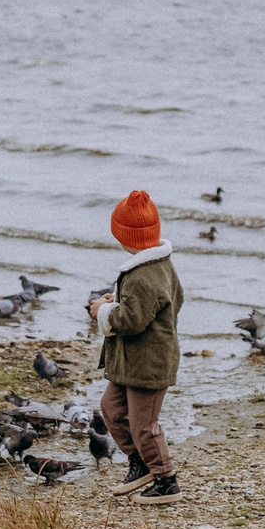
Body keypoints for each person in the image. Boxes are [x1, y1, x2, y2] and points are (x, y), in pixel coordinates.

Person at [88, 189, 184, 504]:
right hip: (131, 361)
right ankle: (141, 462)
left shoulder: (145, 275)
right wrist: (117, 302)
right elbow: (166, 302)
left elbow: (132, 321)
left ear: (128, 238)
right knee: (112, 409)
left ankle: (166, 480)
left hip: (149, 363)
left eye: (120, 236)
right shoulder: (155, 266)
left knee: (145, 425)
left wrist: (102, 312)